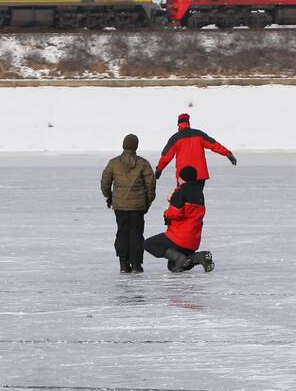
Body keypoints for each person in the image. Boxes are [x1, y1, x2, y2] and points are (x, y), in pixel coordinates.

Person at [101, 133, 156, 273]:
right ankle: (137, 264)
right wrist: (147, 201)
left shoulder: (113, 163)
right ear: (136, 146)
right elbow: (151, 185)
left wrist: (109, 196)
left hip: (120, 206)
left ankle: (123, 264)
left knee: (122, 233)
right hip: (138, 206)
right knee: (137, 234)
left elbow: (105, 183)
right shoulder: (143, 163)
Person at [143, 165, 214, 273]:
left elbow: (175, 213)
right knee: (172, 266)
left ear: (183, 178)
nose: (178, 179)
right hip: (193, 239)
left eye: (179, 177)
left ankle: (179, 257)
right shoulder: (199, 193)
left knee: (148, 244)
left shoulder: (181, 192)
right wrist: (173, 199)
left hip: (178, 237)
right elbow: (189, 209)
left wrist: (166, 214)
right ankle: (197, 257)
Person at [154, 113, 237, 188]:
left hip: (184, 176)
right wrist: (228, 154)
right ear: (188, 123)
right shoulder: (199, 134)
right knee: (197, 200)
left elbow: (166, 156)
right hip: (200, 175)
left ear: (179, 124)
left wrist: (159, 170)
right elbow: (214, 145)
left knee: (183, 201)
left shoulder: (175, 138)